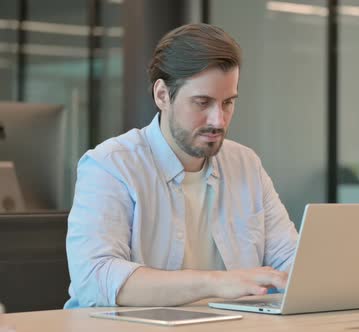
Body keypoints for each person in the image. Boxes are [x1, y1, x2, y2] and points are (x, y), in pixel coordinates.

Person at [65, 23, 298, 308]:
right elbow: (95, 278)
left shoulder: (245, 164)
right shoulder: (110, 165)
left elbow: (292, 262)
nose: (218, 121)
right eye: (202, 102)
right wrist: (218, 283)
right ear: (162, 95)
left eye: (227, 103)